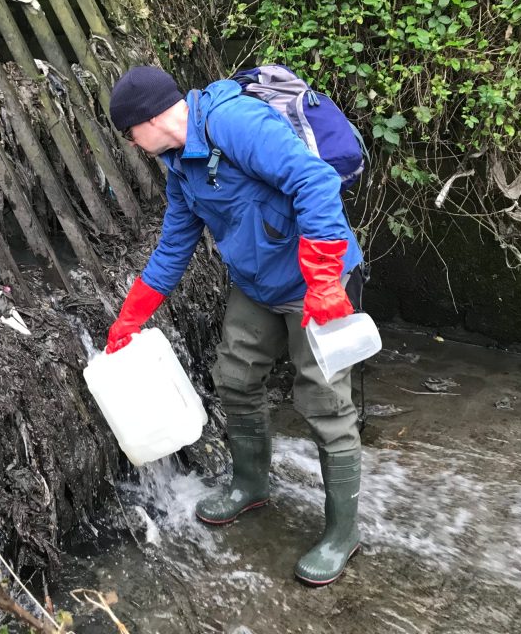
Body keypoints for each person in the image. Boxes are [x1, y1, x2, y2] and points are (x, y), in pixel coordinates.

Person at [104, 65, 365, 586]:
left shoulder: (235, 123)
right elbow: (175, 246)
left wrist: (323, 278)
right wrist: (131, 317)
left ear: (150, 119)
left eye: (130, 132)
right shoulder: (181, 167)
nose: (131, 143)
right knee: (236, 379)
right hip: (256, 285)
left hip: (316, 282)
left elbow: (313, 180)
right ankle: (251, 484)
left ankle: (343, 532)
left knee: (324, 403)